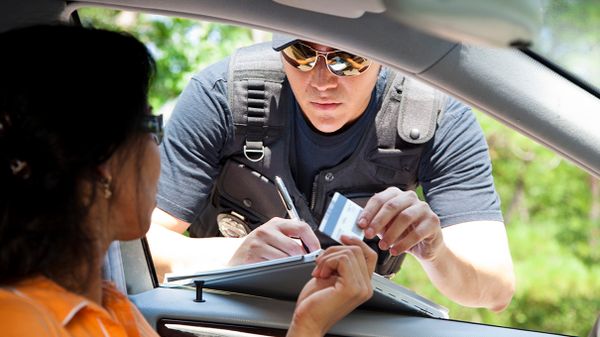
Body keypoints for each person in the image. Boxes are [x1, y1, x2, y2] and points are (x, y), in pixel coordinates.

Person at [0, 25, 377, 337]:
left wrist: (306, 323)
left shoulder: (107, 303)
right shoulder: (22, 320)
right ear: (103, 163)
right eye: (150, 125)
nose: (158, 148)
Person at [150, 35, 516, 311]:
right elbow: (133, 245)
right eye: (301, 54)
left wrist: (435, 253)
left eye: (349, 59)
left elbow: (495, 289)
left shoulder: (437, 116)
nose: (322, 80)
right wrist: (233, 256)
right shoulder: (222, 97)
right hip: (225, 316)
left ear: (384, 53)